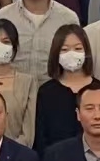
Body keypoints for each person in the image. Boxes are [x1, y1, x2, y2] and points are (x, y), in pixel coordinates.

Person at [33, 24, 96, 152]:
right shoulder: (46, 92)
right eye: (65, 49)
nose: (71, 54)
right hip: (55, 160)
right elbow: (41, 138)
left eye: (77, 48)